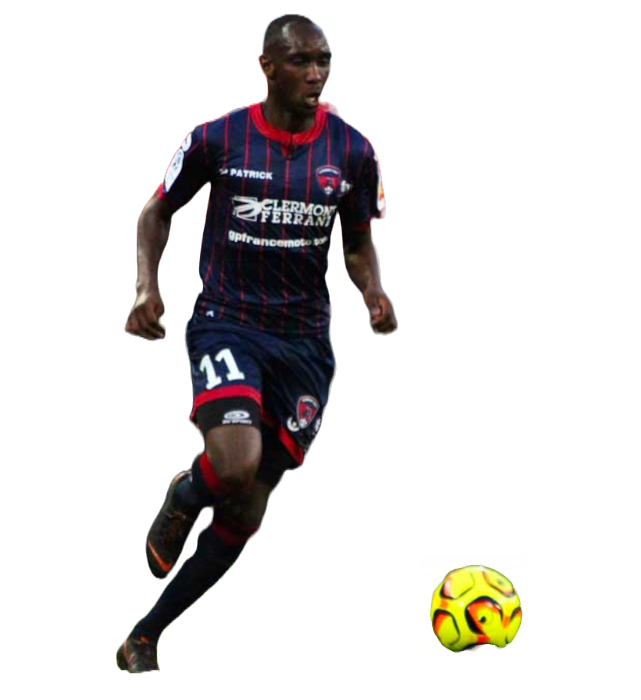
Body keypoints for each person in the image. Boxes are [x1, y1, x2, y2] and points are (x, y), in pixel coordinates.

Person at [118, 12, 397, 673]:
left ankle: (145, 636)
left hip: (306, 344)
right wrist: (146, 286)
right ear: (267, 67)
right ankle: (186, 495)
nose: (317, 74)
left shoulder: (353, 150)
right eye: (302, 61)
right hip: (230, 321)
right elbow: (158, 211)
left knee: (247, 510)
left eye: (324, 61)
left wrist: (373, 291)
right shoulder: (218, 137)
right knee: (234, 464)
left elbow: (358, 243)